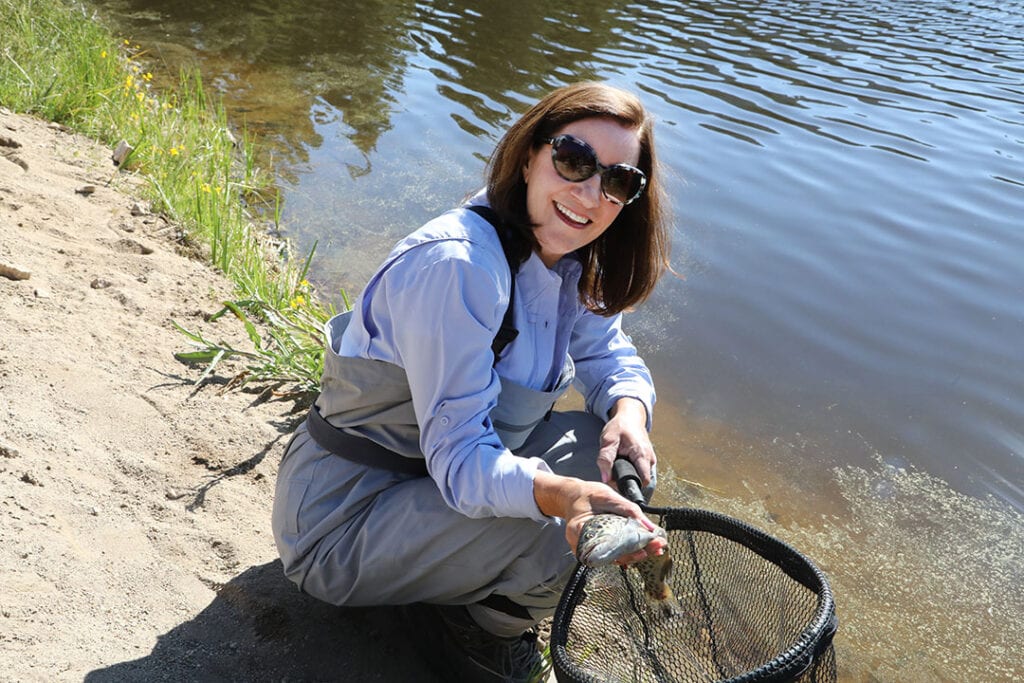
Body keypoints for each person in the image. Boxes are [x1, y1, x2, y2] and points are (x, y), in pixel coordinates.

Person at [272, 81, 672, 682]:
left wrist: (630, 414)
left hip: (424, 494)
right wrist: (563, 499)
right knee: (559, 522)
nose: (590, 193)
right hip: (340, 524)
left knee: (604, 452)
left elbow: (608, 352)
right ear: (530, 153)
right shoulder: (459, 267)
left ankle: (467, 586)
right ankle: (481, 627)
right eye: (574, 160)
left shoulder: (566, 256)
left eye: (618, 181)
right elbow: (461, 461)